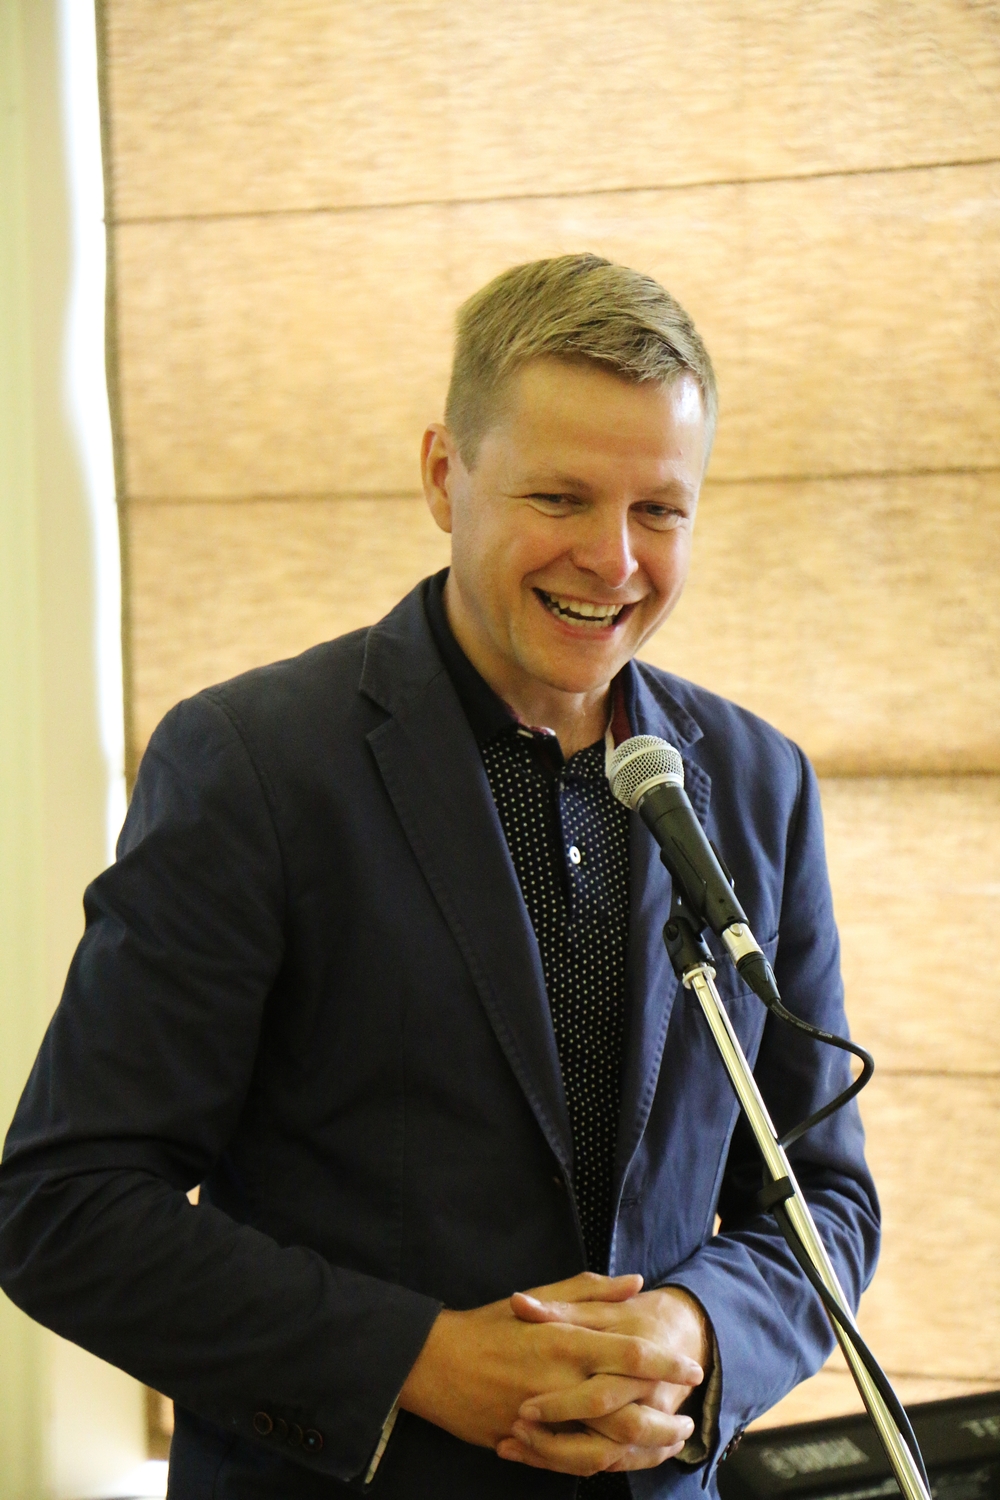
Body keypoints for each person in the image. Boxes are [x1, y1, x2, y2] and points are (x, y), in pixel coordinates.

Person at [0, 254, 878, 1499]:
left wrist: (696, 1333)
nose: (613, 560)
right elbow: (65, 1207)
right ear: (440, 476)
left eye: (660, 511)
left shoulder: (755, 780)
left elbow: (823, 1200)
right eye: (560, 498)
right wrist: (416, 1360)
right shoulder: (250, 763)